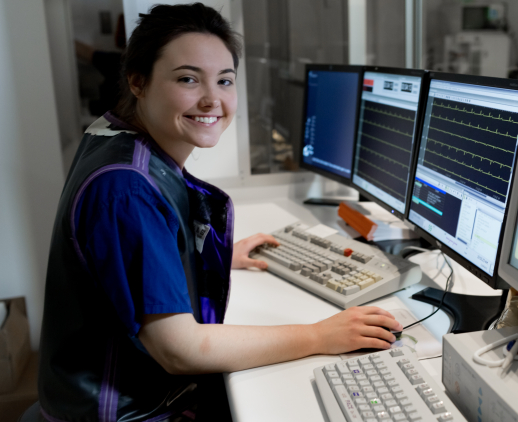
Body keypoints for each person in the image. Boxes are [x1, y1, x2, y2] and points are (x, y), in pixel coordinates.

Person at [38, 4, 402, 421]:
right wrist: (319, 335)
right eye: (188, 79)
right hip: (129, 413)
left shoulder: (112, 133)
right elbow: (180, 350)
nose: (212, 99)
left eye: (224, 80)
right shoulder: (126, 189)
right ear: (138, 82)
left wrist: (215, 256)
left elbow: (124, 259)